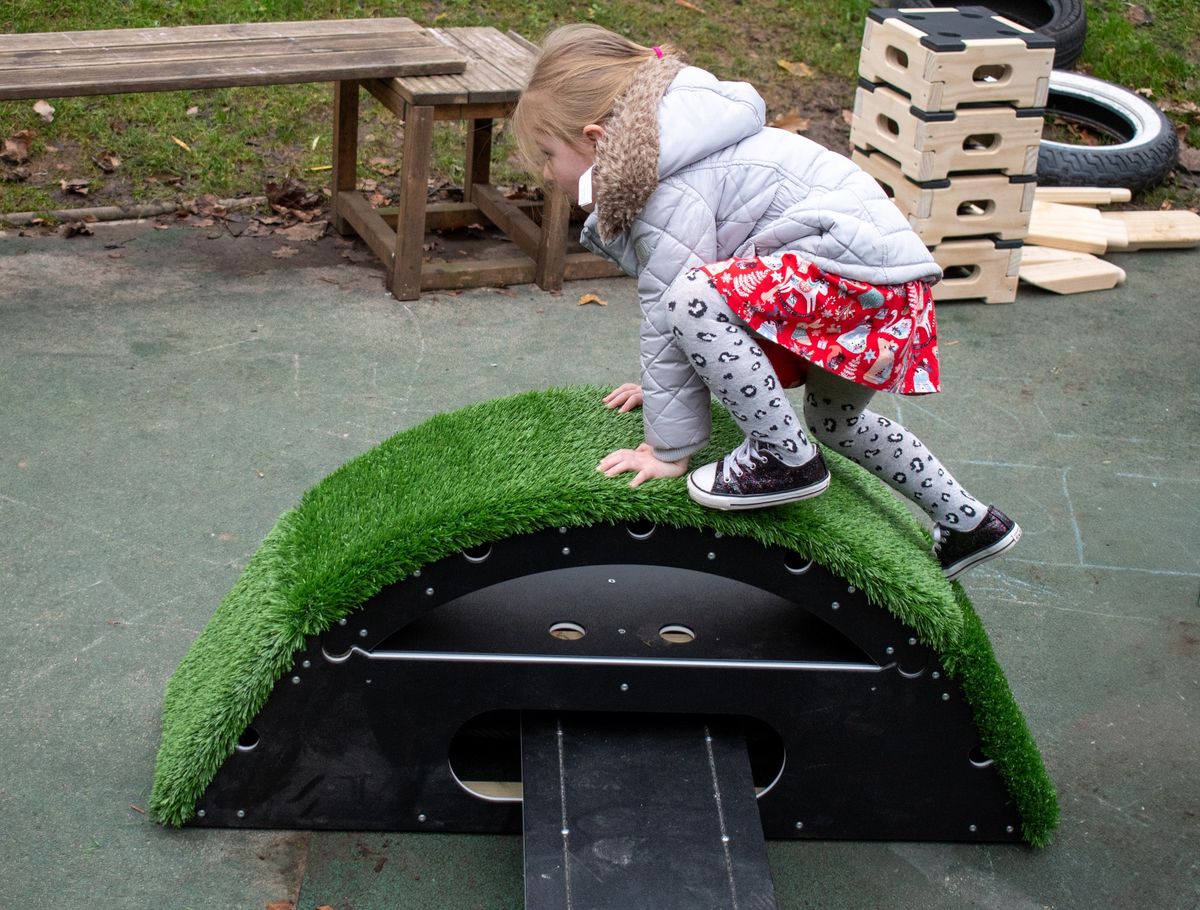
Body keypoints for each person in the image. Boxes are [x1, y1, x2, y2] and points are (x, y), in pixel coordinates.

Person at [511, 24, 1020, 579]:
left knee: (689, 297)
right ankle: (970, 523)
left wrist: (665, 448)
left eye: (548, 155)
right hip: (883, 290)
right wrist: (665, 387)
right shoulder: (686, 142)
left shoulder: (669, 186)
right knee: (838, 423)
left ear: (596, 139)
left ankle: (783, 459)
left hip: (848, 284)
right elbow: (721, 312)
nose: (546, 172)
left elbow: (673, 308)